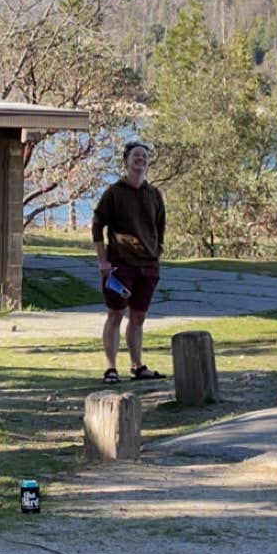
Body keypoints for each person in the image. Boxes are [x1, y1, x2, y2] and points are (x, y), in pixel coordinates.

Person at [91, 142, 166, 385]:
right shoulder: (114, 192)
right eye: (136, 155)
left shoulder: (154, 194)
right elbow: (97, 225)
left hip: (148, 266)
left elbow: (160, 227)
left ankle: (137, 366)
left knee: (139, 317)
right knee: (115, 314)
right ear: (126, 160)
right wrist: (103, 260)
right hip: (120, 266)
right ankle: (111, 368)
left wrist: (157, 252)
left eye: (144, 156)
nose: (140, 159)